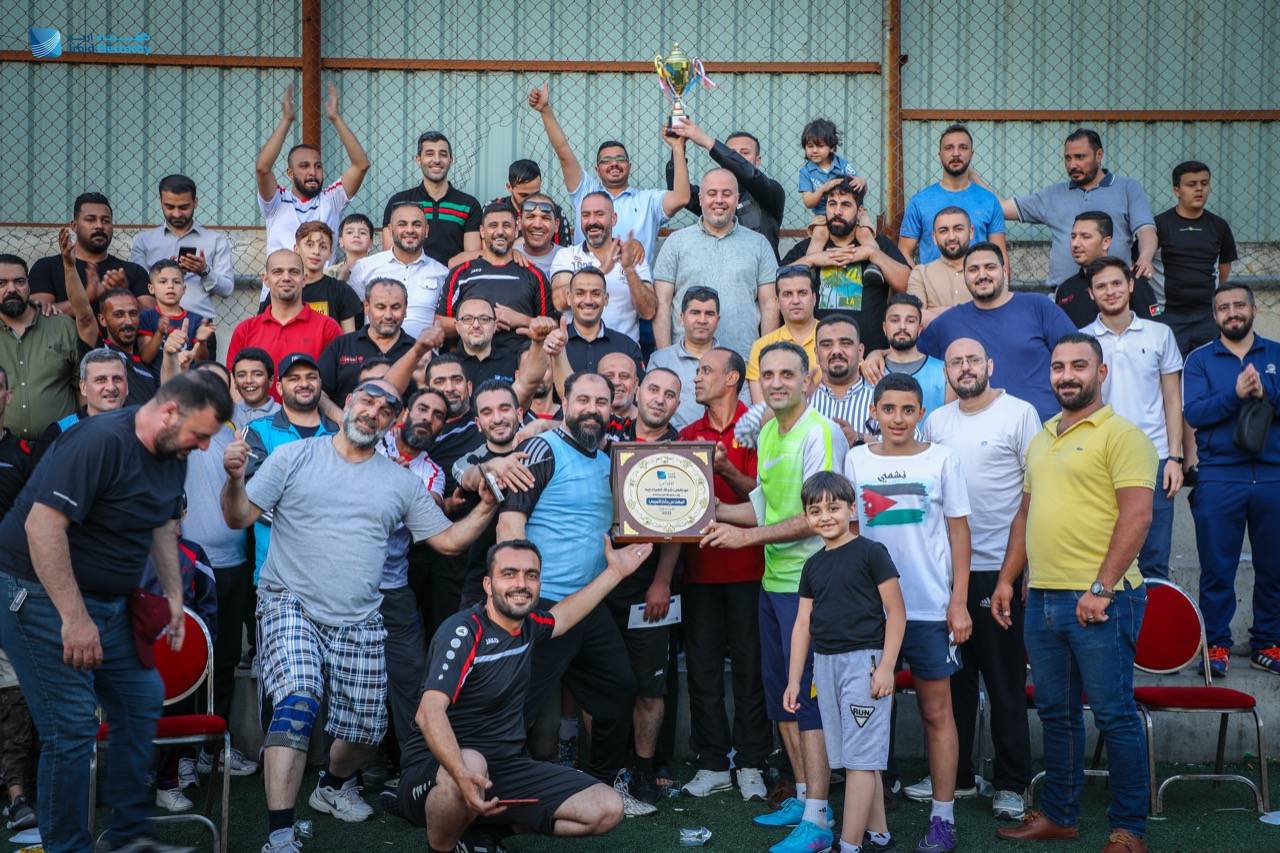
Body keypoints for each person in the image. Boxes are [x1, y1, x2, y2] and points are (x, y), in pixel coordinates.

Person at [220, 378, 496, 852]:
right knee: (297, 701)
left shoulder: (401, 482)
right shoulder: (294, 457)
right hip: (290, 602)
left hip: (361, 618)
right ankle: (280, 836)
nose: (373, 412)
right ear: (347, 404)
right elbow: (238, 517)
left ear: (394, 422)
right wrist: (233, 480)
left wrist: (489, 505)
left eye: (386, 409)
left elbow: (448, 542)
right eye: (367, 401)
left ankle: (331, 784)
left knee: (366, 730)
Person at [0, 371, 231, 853]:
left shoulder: (172, 453)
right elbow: (43, 529)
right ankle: (68, 847)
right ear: (170, 413)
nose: (206, 447)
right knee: (71, 727)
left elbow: (162, 525)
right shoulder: (100, 442)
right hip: (38, 592)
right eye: (201, 434)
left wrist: (173, 596)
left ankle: (127, 837)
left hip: (111, 599)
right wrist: (74, 618)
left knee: (140, 698)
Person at [993, 334, 1155, 853]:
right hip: (1042, 598)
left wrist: (1101, 588)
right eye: (1059, 366)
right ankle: (1060, 816)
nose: (1067, 375)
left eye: (1079, 365)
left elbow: (1138, 516)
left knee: (1114, 716)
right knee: (1056, 715)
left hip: (1101, 601)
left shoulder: (1123, 435)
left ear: (1101, 373)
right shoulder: (1042, 437)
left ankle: (1128, 831)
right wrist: (1007, 578)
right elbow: (1025, 514)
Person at [395, 537, 657, 851]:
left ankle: (482, 834)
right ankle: (443, 847)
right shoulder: (464, 631)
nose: (521, 583)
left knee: (606, 808)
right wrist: (461, 774)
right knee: (472, 763)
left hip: (504, 768)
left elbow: (562, 617)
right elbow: (429, 712)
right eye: (509, 573)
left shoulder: (528, 626)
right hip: (436, 772)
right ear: (488, 585)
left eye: (530, 575)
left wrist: (615, 572)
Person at [700, 342, 847, 846]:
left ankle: (819, 820)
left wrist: (744, 539)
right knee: (782, 697)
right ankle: (803, 795)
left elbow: (819, 516)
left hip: (814, 585)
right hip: (773, 582)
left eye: (789, 373)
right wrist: (706, 510)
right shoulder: (766, 431)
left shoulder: (820, 432)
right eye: (770, 374)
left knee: (808, 703)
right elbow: (762, 509)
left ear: (808, 381)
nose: (779, 382)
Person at [495, 372, 656, 816]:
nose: (592, 409)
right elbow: (510, 522)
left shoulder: (609, 461)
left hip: (589, 604)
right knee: (517, 708)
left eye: (601, 402)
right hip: (542, 606)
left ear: (612, 409)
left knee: (619, 690)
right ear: (564, 404)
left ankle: (599, 786)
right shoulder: (542, 449)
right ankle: (488, 795)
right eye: (582, 399)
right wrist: (517, 594)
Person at [845, 373, 973, 853]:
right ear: (874, 412)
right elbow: (850, 532)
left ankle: (943, 818)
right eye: (888, 409)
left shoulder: (942, 458)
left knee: (936, 712)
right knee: (867, 714)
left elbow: (959, 532)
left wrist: (958, 601)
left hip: (929, 608)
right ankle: (872, 818)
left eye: (907, 410)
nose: (897, 418)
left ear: (921, 413)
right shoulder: (856, 460)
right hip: (870, 614)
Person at [918, 337, 1040, 821]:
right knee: (955, 682)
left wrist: (1019, 569)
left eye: (973, 360)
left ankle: (1012, 783)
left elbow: (1033, 496)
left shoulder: (1019, 414)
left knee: (1004, 682)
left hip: (999, 571)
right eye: (956, 362)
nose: (965, 368)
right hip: (949, 573)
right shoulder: (936, 422)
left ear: (990, 364)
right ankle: (960, 777)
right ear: (946, 371)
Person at [788, 471, 906, 853]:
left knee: (860, 761)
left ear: (852, 509)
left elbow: (897, 612)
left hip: (864, 664)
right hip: (825, 665)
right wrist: (794, 680)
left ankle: (850, 845)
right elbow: (802, 625)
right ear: (807, 516)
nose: (825, 516)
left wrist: (886, 667)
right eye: (815, 510)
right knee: (856, 758)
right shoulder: (812, 566)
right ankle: (880, 835)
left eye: (834, 507)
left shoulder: (872, 552)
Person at [676, 347, 772, 802]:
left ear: (733, 378)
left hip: (751, 570)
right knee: (702, 671)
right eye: (697, 371)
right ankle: (712, 762)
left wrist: (725, 468)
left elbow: (765, 499)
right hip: (698, 573)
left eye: (706, 370)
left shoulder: (760, 429)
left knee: (751, 670)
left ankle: (752, 762)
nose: (697, 378)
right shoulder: (686, 435)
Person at [1182, 283, 1280, 677]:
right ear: (1215, 315)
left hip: (1273, 476)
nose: (1232, 312)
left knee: (1274, 568)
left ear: (1253, 309)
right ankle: (1216, 645)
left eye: (1239, 305)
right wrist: (1236, 394)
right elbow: (1195, 413)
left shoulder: (1275, 354)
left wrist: (1266, 391)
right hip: (1220, 477)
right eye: (1224, 307)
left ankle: (1267, 643)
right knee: (1217, 569)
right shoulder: (1200, 360)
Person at [874, 242, 1077, 421]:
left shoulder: (1038, 307)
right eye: (973, 269)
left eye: (990, 267)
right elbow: (911, 353)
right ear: (965, 277)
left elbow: (1078, 355)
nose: (982, 275)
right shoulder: (949, 323)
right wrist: (879, 354)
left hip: (1044, 427)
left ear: (1004, 271)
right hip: (978, 431)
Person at [176, 362, 260, 784]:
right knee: (183, 661)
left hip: (233, 565)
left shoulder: (238, 431)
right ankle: (180, 756)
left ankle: (213, 750)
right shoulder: (175, 429)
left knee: (223, 660)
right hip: (185, 565)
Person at [1084, 257, 1184, 580]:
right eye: (1101, 286)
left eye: (1116, 283)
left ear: (1130, 285)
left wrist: (1174, 458)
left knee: (1154, 560)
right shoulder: (1082, 341)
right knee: (1103, 558)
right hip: (1101, 460)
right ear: (1091, 293)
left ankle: (1152, 616)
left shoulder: (1159, 334)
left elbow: (1173, 400)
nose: (1110, 291)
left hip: (1153, 459)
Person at [529, 82, 689, 265]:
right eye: (606, 160)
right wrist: (545, 110)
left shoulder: (648, 201)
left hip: (635, 281)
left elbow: (682, 197)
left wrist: (678, 147)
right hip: (587, 281)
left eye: (620, 159)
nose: (614, 164)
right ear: (597, 170)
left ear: (629, 166)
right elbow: (564, 152)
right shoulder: (586, 192)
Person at [374, 388, 449, 778]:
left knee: (411, 673)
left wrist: (401, 482)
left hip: (393, 586)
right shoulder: (373, 441)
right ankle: (358, 768)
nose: (428, 418)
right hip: (346, 582)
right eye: (422, 409)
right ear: (404, 412)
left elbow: (430, 509)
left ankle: (414, 770)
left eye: (437, 415)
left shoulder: (432, 471)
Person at [997, 128, 1156, 289]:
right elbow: (1001, 208)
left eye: (1080, 157)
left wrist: (1145, 257)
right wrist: (978, 177)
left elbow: (1146, 231)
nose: (1072, 165)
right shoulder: (1053, 194)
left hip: (1112, 293)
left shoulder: (1127, 188)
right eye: (1068, 158)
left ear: (1099, 155)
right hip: (1063, 295)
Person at [653, 168, 780, 357]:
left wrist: (765, 359)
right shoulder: (676, 243)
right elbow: (662, 303)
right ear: (700, 199)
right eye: (712, 194)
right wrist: (666, 358)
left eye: (726, 194)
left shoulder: (759, 244)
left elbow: (770, 305)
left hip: (743, 360)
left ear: (737, 199)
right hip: (685, 361)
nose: (719, 200)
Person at [780, 179, 910, 352]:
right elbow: (779, 283)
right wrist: (812, 260)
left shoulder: (877, 245)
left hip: (870, 355)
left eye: (846, 205)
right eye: (832, 204)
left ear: (859, 211)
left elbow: (907, 284)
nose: (837, 211)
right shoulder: (809, 247)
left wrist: (872, 253)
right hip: (818, 354)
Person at [243, 353, 339, 578]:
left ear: (320, 383)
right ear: (279, 386)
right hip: (277, 572)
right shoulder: (257, 430)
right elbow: (254, 499)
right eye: (294, 378)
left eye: (311, 377)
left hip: (331, 568)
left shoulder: (339, 434)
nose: (304, 383)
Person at [255, 84, 369, 260]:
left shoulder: (330, 200)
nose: (312, 172)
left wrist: (335, 118)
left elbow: (361, 165)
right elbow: (263, 168)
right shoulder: (277, 201)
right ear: (290, 173)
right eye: (304, 166)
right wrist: (286, 120)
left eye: (318, 166)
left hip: (321, 279)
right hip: (283, 277)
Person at [0, 241, 98, 439]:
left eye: (19, 281)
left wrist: (85, 434)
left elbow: (82, 388)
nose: (11, 289)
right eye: (1, 283)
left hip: (60, 443)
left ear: (29, 286)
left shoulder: (62, 327)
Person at [436, 204, 555, 356]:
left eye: (506, 226)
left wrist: (521, 320)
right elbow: (439, 324)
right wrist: (483, 322)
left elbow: (551, 327)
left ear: (516, 230)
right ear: (482, 231)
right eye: (493, 225)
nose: (500, 232)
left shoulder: (534, 275)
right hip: (470, 361)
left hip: (520, 362)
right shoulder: (461, 273)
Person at [226, 250, 343, 397]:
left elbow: (337, 384)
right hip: (255, 412)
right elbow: (234, 383)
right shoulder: (245, 330)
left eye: (294, 272)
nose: (286, 278)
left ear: (304, 279)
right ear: (266, 279)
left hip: (310, 411)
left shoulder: (328, 328)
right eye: (278, 272)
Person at [1153, 160, 1239, 357]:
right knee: (1171, 371)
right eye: (1191, 184)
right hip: (1168, 316)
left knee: (1211, 367)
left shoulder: (1219, 226)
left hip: (1207, 316)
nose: (1199, 189)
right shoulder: (1159, 225)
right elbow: (1141, 264)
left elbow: (1224, 266)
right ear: (1176, 190)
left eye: (1204, 183)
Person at [667, 120, 786, 256]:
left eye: (745, 152)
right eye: (731, 153)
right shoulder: (715, 199)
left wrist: (705, 140)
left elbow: (751, 176)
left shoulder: (772, 192)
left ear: (757, 160)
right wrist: (678, 147)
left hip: (761, 268)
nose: (737, 158)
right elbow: (679, 191)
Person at [549, 191, 655, 345]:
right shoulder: (566, 256)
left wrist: (629, 270)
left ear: (613, 219)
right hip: (576, 348)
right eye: (586, 215)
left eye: (599, 214)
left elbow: (648, 311)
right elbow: (559, 302)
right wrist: (602, 270)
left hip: (623, 350)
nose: (592, 221)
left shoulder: (632, 256)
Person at [129, 174, 235, 323]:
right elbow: (137, 286)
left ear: (195, 202)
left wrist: (204, 271)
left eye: (184, 207)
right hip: (157, 325)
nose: (177, 214)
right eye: (169, 207)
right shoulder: (144, 241)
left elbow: (227, 289)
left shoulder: (215, 241)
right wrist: (164, 272)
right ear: (160, 202)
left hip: (200, 326)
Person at [899, 125, 1007, 266]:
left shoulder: (989, 201)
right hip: (934, 280)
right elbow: (904, 253)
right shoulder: (919, 202)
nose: (956, 153)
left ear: (971, 154)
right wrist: (920, 277)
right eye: (949, 148)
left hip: (976, 279)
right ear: (940, 155)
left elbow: (1000, 256)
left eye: (963, 147)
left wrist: (1002, 280)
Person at [28, 193, 152, 312]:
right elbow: (39, 315)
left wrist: (125, 294)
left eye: (106, 220)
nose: (99, 226)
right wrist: (87, 297)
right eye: (91, 220)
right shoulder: (46, 268)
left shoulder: (133, 271)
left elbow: (153, 317)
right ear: (74, 225)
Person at [380, 130, 482, 265]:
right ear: (418, 159)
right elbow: (390, 255)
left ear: (451, 160)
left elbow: (472, 257)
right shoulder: (399, 203)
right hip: (409, 274)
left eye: (443, 154)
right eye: (429, 154)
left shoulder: (468, 205)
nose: (437, 160)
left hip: (452, 274)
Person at [318, 278, 419, 403]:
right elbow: (319, 392)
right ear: (366, 307)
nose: (388, 315)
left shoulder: (418, 351)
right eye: (380, 307)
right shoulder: (341, 346)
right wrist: (339, 414)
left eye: (395, 307)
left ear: (405, 309)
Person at [1051, 211, 1157, 328]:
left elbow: (1152, 328)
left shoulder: (1131, 281)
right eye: (1073, 237)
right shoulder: (1065, 289)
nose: (1075, 244)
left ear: (1106, 242)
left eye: (1085, 237)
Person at [648, 286, 727, 429]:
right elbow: (651, 406)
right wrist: (686, 436)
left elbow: (742, 409)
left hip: (723, 438)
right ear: (682, 318)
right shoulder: (660, 360)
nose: (702, 320)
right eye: (695, 313)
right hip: (673, 439)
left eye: (709, 314)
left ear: (718, 319)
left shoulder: (731, 361)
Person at [259, 222, 363, 331]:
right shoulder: (284, 288)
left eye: (323, 247)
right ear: (296, 249)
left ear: (330, 253)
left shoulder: (341, 291)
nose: (316, 252)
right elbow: (265, 331)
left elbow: (349, 337)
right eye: (309, 245)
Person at [746, 266, 819, 403]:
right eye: (787, 294)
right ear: (778, 302)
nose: (795, 300)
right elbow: (761, 407)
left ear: (814, 298)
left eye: (802, 293)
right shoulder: (762, 347)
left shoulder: (834, 340)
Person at [553, 268, 644, 376]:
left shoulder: (627, 347)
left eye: (595, 294)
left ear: (606, 299)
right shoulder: (554, 343)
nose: (588, 301)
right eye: (580, 293)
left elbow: (639, 385)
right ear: (569, 298)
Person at [37, 348, 131, 446]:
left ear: (127, 386)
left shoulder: (140, 427)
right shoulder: (60, 432)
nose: (111, 387)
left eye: (117, 379)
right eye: (101, 380)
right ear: (83, 387)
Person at [137, 260, 214, 367]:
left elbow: (202, 363)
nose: (170, 286)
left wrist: (202, 342)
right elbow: (146, 358)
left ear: (184, 289)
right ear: (151, 288)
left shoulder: (196, 319)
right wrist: (159, 333)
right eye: (163, 282)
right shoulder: (146, 317)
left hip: (186, 376)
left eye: (176, 282)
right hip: (157, 377)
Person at [906, 207, 975, 325]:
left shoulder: (988, 272)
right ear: (934, 237)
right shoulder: (921, 274)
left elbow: (994, 313)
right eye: (943, 231)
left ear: (971, 232)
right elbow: (915, 315)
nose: (951, 237)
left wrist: (933, 311)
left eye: (958, 229)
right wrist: (972, 313)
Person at [882, 293, 947, 417]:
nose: (902, 327)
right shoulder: (870, 371)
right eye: (895, 320)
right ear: (884, 328)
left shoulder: (943, 372)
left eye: (910, 321)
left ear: (919, 329)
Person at [98, 287, 162, 406]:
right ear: (103, 320)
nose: (129, 321)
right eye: (119, 315)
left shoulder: (149, 358)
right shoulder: (100, 351)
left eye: (133, 313)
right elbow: (84, 317)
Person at [492, 159, 573, 247]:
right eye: (524, 195)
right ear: (509, 187)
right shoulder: (494, 210)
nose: (530, 200)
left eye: (535, 194)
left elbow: (565, 252)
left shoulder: (554, 211)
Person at [796, 117, 864, 213]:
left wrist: (862, 182)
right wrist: (824, 188)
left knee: (865, 222)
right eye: (810, 146)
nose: (814, 150)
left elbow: (860, 186)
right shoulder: (805, 172)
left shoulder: (842, 165)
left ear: (831, 147)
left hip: (847, 213)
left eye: (820, 146)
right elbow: (808, 202)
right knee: (818, 224)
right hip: (822, 214)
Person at [514, 192, 567, 279]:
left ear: (556, 225)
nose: (537, 225)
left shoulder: (569, 258)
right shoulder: (509, 257)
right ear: (519, 222)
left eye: (545, 218)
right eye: (530, 217)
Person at [231, 348, 281, 430]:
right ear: (235, 382)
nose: (249, 380)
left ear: (271, 380)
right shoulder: (228, 413)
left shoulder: (282, 415)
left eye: (257, 374)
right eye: (241, 375)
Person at [326, 212, 375, 281]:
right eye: (349, 232)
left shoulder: (379, 271)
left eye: (362, 233)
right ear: (341, 241)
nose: (356, 235)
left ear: (371, 242)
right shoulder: (328, 274)